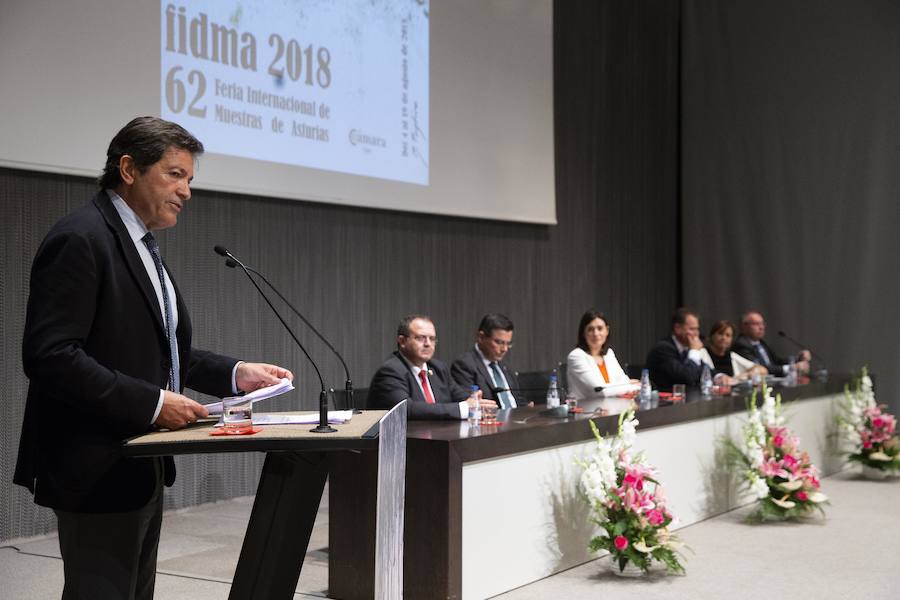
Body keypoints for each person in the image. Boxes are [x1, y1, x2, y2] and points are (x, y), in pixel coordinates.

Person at [13, 116, 294, 600]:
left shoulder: (142, 244)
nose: (186, 190)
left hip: (138, 463)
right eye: (175, 174)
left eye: (190, 179)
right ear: (128, 168)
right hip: (96, 466)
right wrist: (150, 404)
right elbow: (50, 356)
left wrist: (234, 372)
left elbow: (166, 351)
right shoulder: (81, 238)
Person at [368, 314, 496, 420]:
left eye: (432, 339)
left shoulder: (438, 368)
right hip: (405, 444)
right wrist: (462, 408)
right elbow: (407, 409)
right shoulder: (391, 371)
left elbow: (459, 396)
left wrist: (475, 402)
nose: (428, 344)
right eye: (421, 338)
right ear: (402, 341)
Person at [451, 313, 523, 408]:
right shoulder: (464, 365)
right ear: (481, 337)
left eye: (508, 343)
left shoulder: (505, 367)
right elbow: (471, 404)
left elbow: (518, 399)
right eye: (499, 342)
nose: (504, 349)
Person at [566, 310, 638, 400]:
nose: (596, 334)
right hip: (586, 411)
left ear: (607, 331)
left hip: (612, 408)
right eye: (590, 329)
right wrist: (629, 386)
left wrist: (624, 384)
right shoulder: (576, 356)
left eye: (600, 328)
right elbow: (599, 391)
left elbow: (623, 380)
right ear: (583, 333)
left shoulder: (608, 354)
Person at [645, 307, 722, 391]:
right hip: (665, 402)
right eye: (692, 329)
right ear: (678, 328)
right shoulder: (663, 349)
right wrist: (695, 351)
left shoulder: (686, 349)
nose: (696, 334)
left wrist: (720, 376)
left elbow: (704, 369)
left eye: (697, 329)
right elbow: (687, 377)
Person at [732, 311, 811, 375]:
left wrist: (798, 358)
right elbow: (760, 368)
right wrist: (792, 368)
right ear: (744, 327)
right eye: (756, 324)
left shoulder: (761, 343)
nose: (761, 327)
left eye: (762, 323)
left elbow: (776, 362)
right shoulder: (741, 345)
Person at [701, 320, 767, 381]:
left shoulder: (732, 355)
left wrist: (745, 375)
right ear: (712, 336)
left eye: (728, 335)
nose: (724, 338)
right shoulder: (702, 353)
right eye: (720, 334)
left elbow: (763, 370)